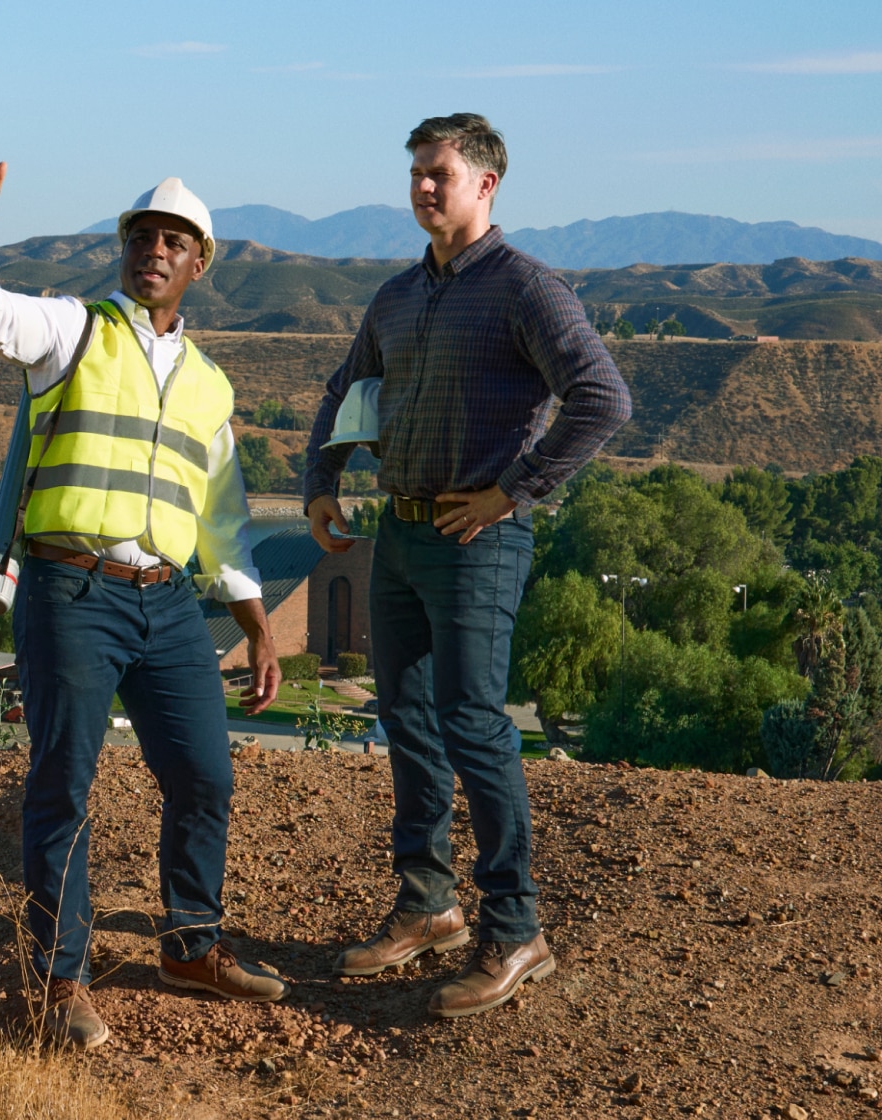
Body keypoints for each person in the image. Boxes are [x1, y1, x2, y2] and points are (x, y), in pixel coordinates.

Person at [0, 163, 287, 1050]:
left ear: (199, 264)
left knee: (205, 775)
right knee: (65, 783)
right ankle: (60, 981)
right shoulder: (74, 331)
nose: (155, 251)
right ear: (125, 250)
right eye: (143, 237)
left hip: (168, 602)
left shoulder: (210, 385)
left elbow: (222, 516)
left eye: (174, 241)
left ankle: (190, 944)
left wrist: (254, 625)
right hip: (72, 591)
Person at [302, 114, 631, 1018]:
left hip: (479, 539)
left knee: (473, 724)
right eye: (414, 172)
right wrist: (319, 480)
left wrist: (513, 492)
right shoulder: (399, 295)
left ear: (486, 184)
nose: (420, 187)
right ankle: (428, 904)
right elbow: (347, 388)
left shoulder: (528, 288)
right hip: (401, 536)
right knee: (405, 716)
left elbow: (603, 398)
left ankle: (516, 929)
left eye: (437, 173)